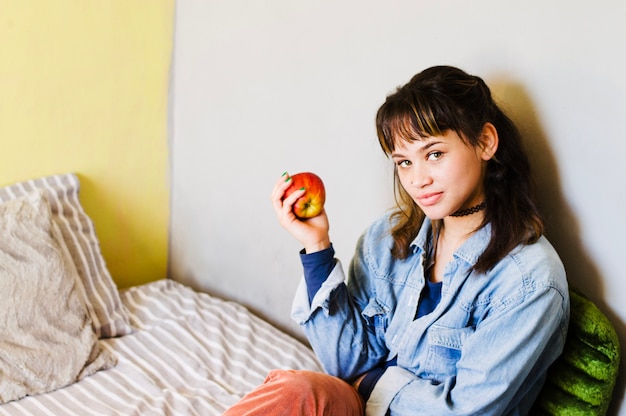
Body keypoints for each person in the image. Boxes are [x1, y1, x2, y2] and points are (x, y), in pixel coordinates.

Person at [224, 65, 570, 415]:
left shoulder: (529, 282)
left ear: (485, 142)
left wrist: (373, 384)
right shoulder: (385, 240)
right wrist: (317, 246)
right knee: (296, 391)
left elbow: (466, 411)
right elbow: (345, 363)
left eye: (434, 154)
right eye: (404, 162)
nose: (417, 179)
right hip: (363, 407)